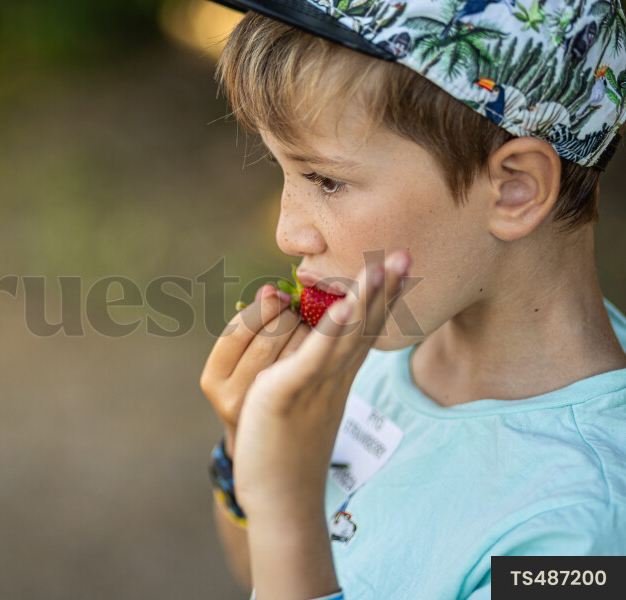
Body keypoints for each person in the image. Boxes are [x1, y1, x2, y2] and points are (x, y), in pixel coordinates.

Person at [198, 1, 626, 599]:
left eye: (326, 180)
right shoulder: (377, 352)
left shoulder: (586, 533)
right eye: (285, 172)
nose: (287, 233)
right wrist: (247, 455)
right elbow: (263, 572)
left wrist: (288, 501)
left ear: (515, 189)